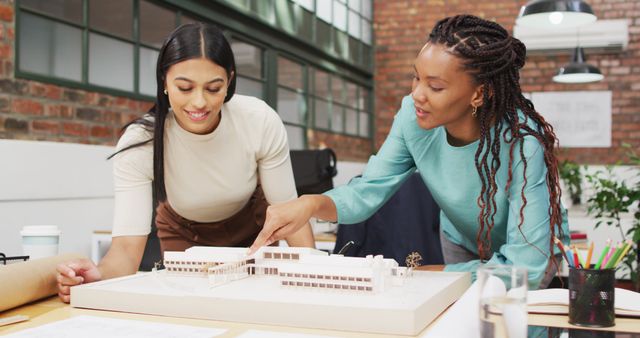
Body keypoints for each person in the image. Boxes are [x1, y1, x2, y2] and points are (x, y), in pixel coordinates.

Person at [250, 14, 569, 289]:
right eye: (416, 77)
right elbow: (368, 190)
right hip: (461, 241)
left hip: (529, 256)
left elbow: (524, 267)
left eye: (436, 86)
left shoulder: (523, 142)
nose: (417, 94)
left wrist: (440, 274)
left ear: (479, 94)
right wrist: (309, 205)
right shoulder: (412, 118)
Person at [56, 23, 314, 302]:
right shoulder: (140, 142)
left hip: (255, 229)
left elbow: (291, 216)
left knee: (258, 304)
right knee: (192, 309)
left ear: (229, 81)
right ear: (164, 81)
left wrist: (317, 274)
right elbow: (127, 252)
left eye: (213, 88)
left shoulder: (258, 120)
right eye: (185, 87)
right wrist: (97, 277)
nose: (199, 102)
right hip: (185, 236)